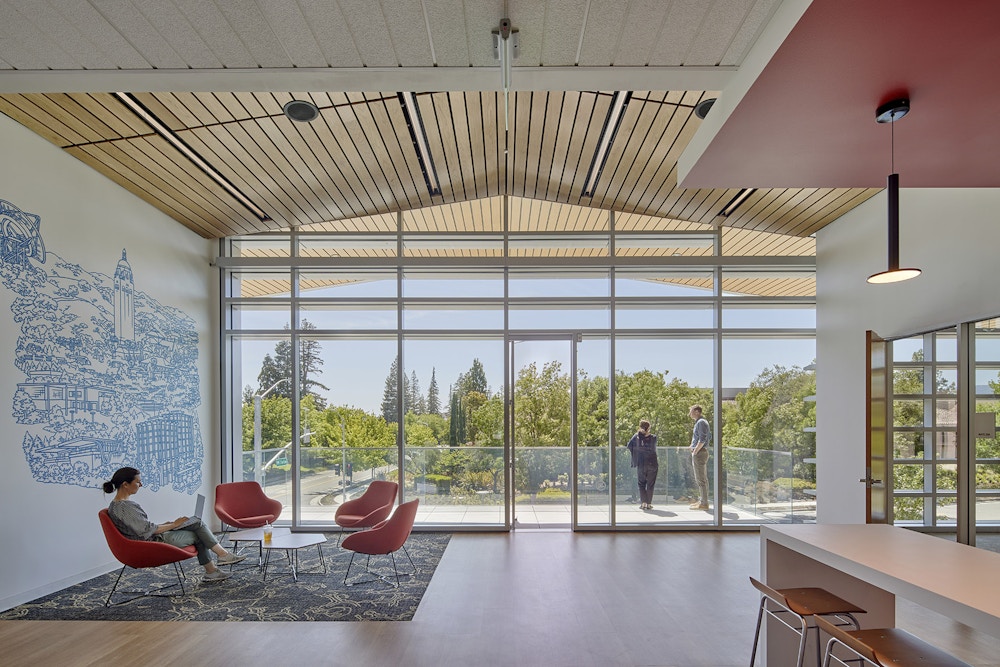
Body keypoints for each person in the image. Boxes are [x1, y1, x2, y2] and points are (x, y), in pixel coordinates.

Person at [103, 467, 245, 581]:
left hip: (152, 538)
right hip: (152, 542)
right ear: (125, 485)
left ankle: (215, 566)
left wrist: (167, 524)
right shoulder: (124, 507)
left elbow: (142, 526)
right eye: (138, 482)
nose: (141, 484)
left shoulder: (120, 505)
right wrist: (172, 525)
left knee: (196, 523)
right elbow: (146, 531)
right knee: (199, 529)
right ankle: (219, 560)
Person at [626, 419, 658, 510]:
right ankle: (649, 503)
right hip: (653, 463)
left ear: (640, 427)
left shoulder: (637, 437)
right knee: (650, 484)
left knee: (641, 483)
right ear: (649, 428)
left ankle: (643, 503)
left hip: (641, 463)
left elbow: (629, 446)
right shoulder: (654, 437)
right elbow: (653, 449)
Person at [688, 405, 711, 510]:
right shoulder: (700, 422)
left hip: (700, 453)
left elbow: (702, 439)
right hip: (700, 452)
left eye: (691, 411)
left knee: (701, 479)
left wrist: (695, 450)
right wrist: (692, 446)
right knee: (701, 479)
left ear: (697, 411)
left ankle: (704, 503)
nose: (690, 413)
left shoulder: (701, 422)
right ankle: (703, 501)